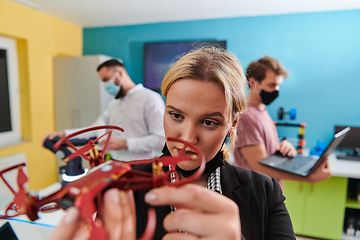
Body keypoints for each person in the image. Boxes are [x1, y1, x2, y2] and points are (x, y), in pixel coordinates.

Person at [50, 48, 296, 240]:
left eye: (209, 122)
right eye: (176, 116)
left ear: (233, 123)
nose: (187, 139)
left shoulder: (265, 193)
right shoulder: (124, 189)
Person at [234, 56, 331, 187]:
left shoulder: (262, 111)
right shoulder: (246, 116)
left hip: (270, 194)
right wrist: (308, 177)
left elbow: (267, 153)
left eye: (278, 85)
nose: (276, 90)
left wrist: (283, 147)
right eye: (272, 85)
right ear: (252, 83)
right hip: (255, 196)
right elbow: (260, 167)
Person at [42, 59, 165, 161]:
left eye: (106, 79)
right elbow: (95, 130)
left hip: (142, 166)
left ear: (120, 74)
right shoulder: (114, 104)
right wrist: (63, 134)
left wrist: (124, 144)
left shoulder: (150, 99)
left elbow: (161, 139)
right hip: (115, 164)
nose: (106, 86)